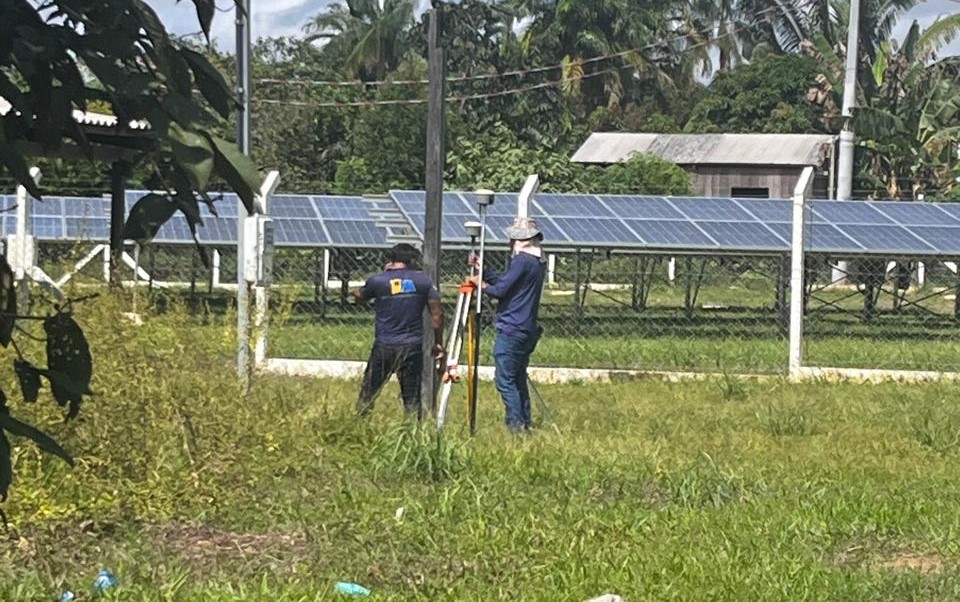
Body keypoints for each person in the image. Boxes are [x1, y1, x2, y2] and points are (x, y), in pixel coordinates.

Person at [469, 217, 546, 433]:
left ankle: (516, 426)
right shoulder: (537, 262)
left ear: (520, 240)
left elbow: (500, 290)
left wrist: (481, 285)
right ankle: (524, 422)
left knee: (505, 380)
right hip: (526, 328)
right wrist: (484, 269)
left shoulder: (521, 260)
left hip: (512, 328)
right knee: (518, 376)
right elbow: (508, 283)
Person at [354, 243, 444, 417]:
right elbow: (437, 315)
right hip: (412, 346)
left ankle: (360, 423)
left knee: (369, 391)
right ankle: (411, 432)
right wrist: (438, 343)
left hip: (384, 345)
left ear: (391, 260)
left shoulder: (378, 280)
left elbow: (359, 296)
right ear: (411, 260)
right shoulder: (423, 281)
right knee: (411, 396)